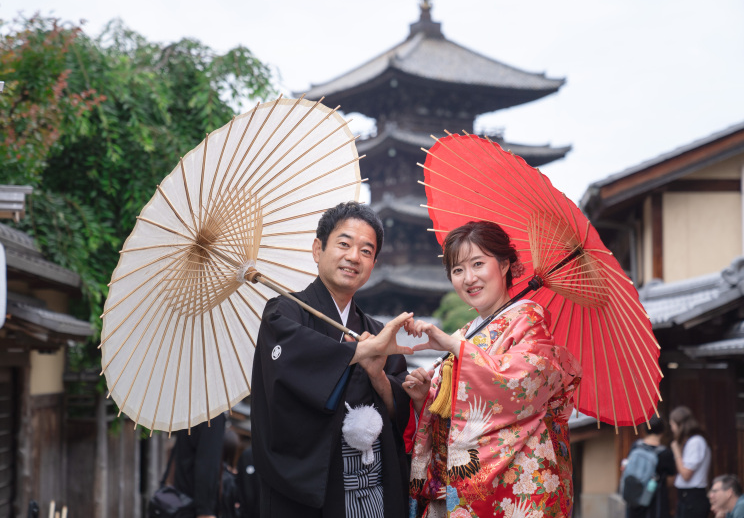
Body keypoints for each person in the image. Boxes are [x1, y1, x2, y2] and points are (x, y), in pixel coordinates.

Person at [403, 220, 582, 518]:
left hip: (510, 488)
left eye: (477, 264)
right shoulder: (466, 332)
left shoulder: (529, 320)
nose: (468, 278)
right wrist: (425, 398)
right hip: (456, 488)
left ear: (504, 265)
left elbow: (520, 384)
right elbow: (451, 417)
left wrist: (455, 346)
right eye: (458, 270)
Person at [250, 201, 414, 518]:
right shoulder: (283, 313)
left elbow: (400, 416)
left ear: (374, 263)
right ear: (318, 249)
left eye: (367, 251)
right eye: (344, 244)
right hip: (313, 485)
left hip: (372, 483)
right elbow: (283, 382)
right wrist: (356, 352)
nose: (354, 257)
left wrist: (378, 376)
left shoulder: (375, 330)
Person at [622, 415, 677, 518]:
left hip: (634, 497)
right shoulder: (665, 453)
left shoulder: (635, 446)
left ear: (644, 429)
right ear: (663, 431)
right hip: (655, 501)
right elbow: (670, 481)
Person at [173, 413, 226, 518]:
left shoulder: (188, 412)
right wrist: (205, 510)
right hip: (195, 506)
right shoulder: (212, 413)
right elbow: (208, 464)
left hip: (181, 500)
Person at [670, 406, 711, 518]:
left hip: (693, 497)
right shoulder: (691, 441)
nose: (672, 429)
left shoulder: (696, 442)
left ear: (680, 425)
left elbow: (686, 474)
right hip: (687, 496)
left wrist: (676, 452)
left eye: (672, 425)